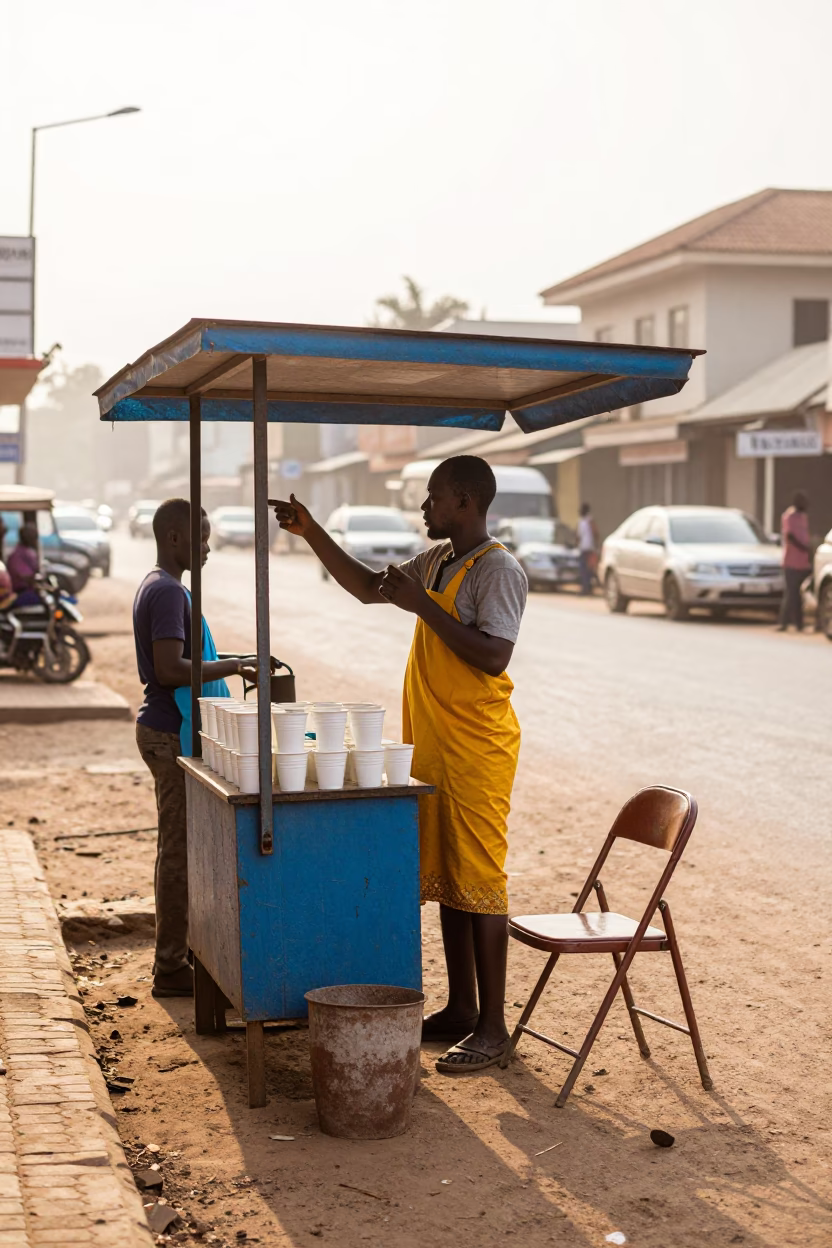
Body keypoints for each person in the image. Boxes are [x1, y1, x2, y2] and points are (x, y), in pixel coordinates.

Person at [274, 456, 527, 1073]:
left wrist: (423, 608)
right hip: (436, 742)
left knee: (481, 882)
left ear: (465, 500)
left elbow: (494, 656)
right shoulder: (439, 562)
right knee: (447, 875)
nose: (424, 507)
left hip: (476, 747)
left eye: (433, 497)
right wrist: (313, 534)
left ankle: (494, 1028)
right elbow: (367, 587)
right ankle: (463, 1007)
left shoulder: (497, 571)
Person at [133, 498, 261, 998]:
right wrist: (232, 668)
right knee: (180, 851)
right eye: (200, 537)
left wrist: (237, 659)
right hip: (170, 732)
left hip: (171, 729)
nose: (208, 546)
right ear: (173, 537)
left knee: (180, 845)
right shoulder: (166, 593)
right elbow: (169, 670)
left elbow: (188, 656)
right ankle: (170, 968)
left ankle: (179, 955)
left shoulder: (164, 587)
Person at [777, 490, 810, 632]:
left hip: (803, 562)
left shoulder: (803, 517)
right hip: (791, 561)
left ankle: (798, 623)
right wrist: (803, 547)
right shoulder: (789, 516)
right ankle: (786, 623)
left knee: (798, 593)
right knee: (791, 593)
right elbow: (790, 536)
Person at [7, 523, 41, 607]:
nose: (36, 539)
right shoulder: (17, 555)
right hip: (19, 593)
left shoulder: (27, 552)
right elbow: (24, 576)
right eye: (33, 536)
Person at [577, 502, 598, 595]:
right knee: (583, 570)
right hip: (583, 548)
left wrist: (595, 546)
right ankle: (585, 588)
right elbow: (579, 535)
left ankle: (588, 588)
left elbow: (595, 533)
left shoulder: (590, 520)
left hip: (589, 548)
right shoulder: (581, 521)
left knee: (588, 570)